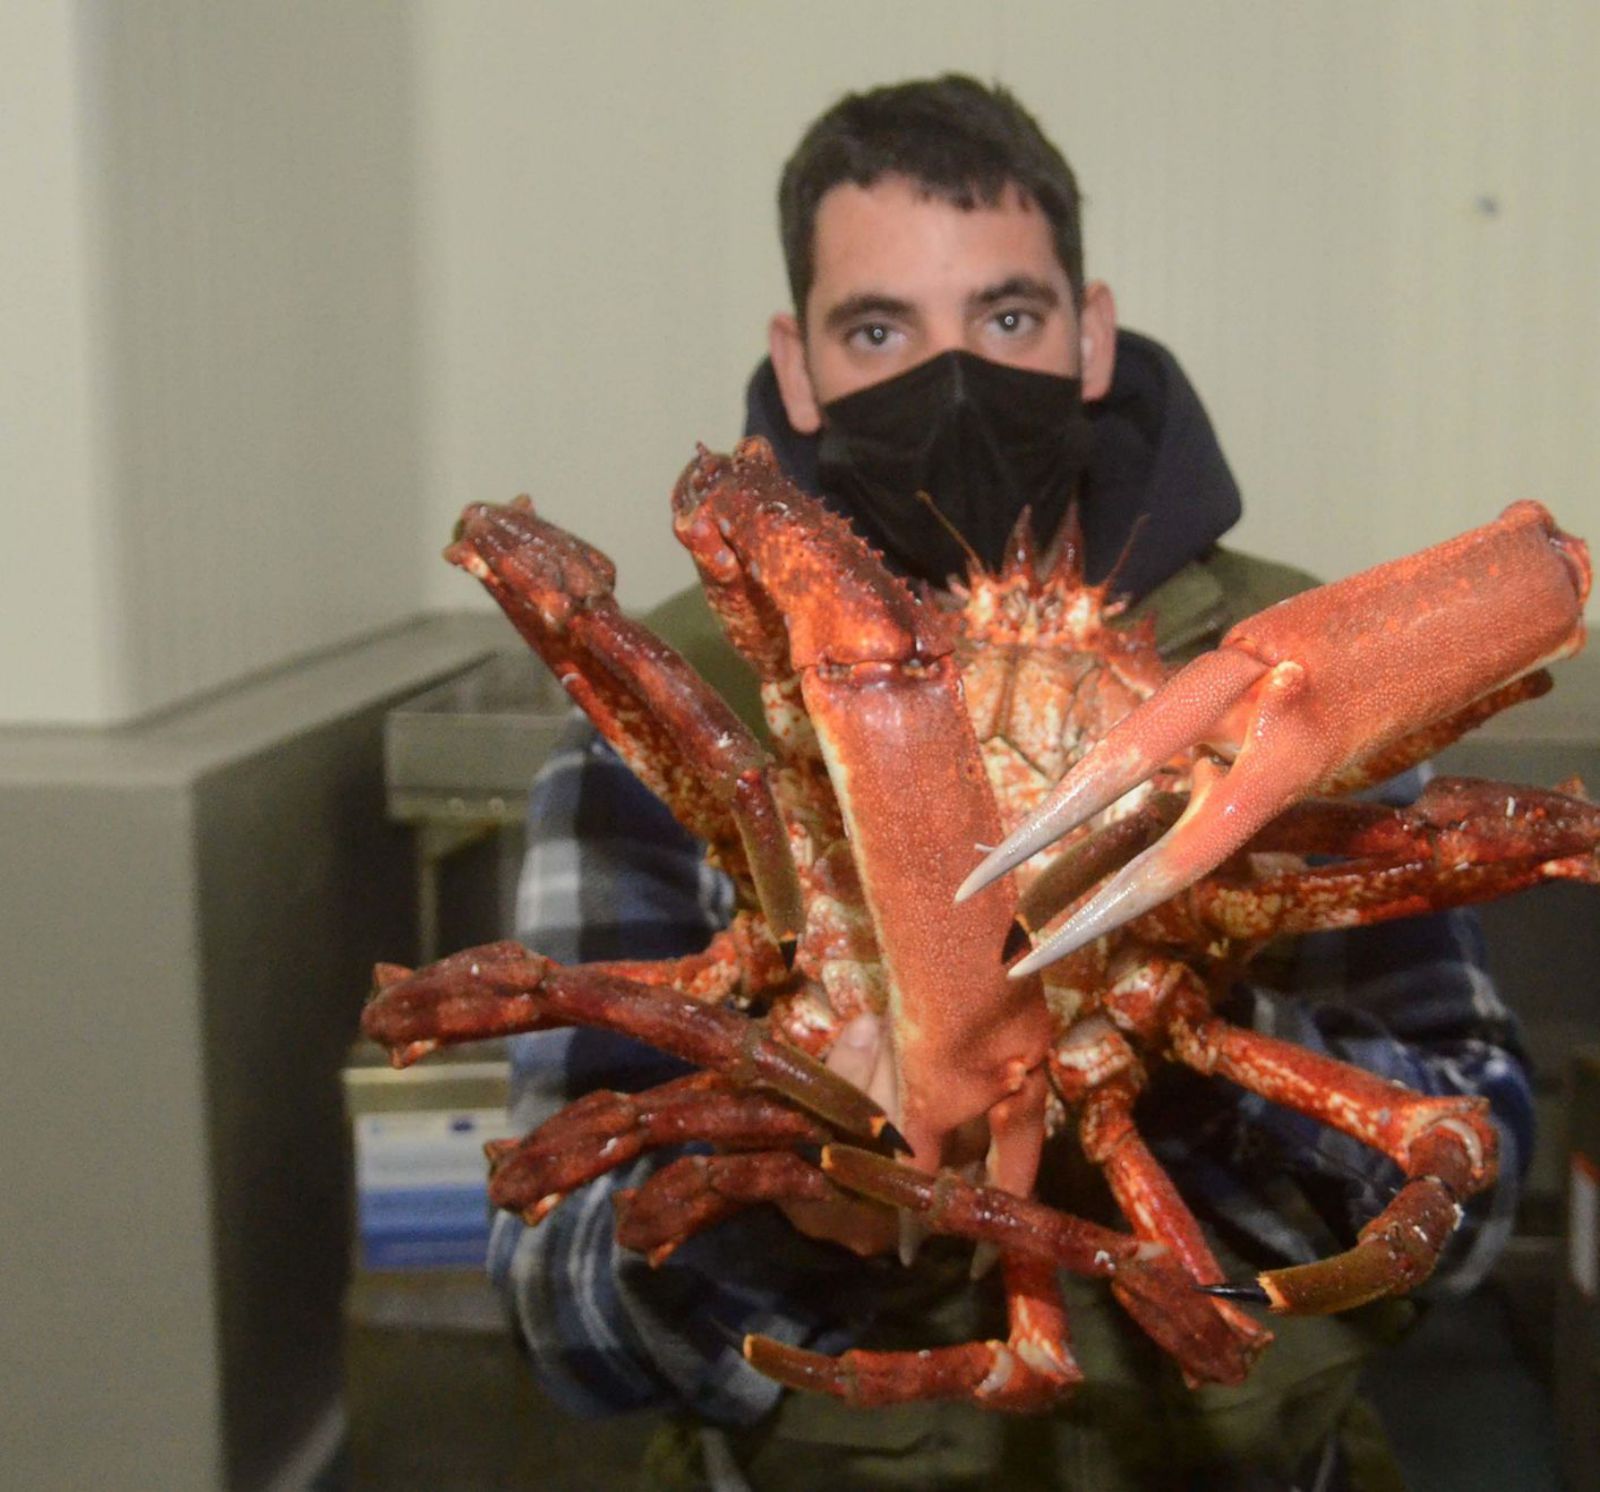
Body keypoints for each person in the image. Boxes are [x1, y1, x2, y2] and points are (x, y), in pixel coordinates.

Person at [489, 76, 1533, 1490]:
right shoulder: (671, 708)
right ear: (795, 368)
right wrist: (784, 1185)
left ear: (1090, 332)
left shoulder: (1304, 681)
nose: (956, 377)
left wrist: (1194, 1010)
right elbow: (558, 1315)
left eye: (1008, 316)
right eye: (880, 330)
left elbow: (1479, 1187)